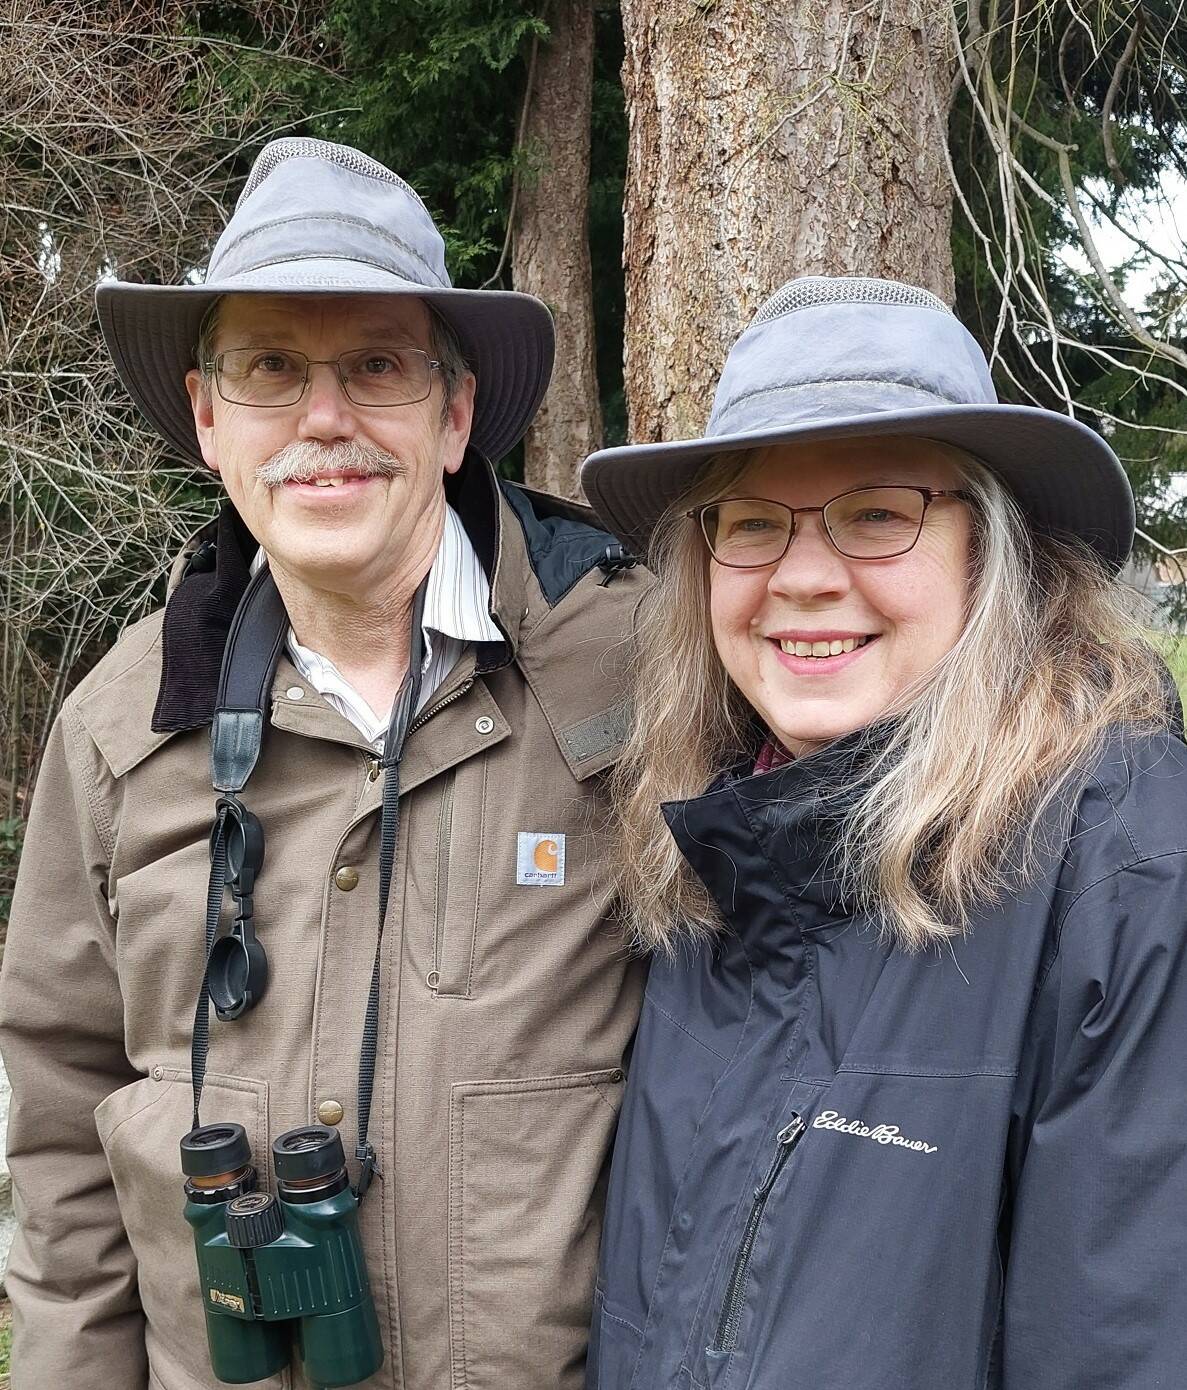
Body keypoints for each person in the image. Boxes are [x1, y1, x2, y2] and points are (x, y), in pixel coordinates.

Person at [0, 137, 647, 1390]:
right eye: (269, 370)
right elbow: (62, 1131)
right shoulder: (120, 726)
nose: (324, 419)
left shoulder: (633, 668)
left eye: (375, 366)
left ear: (455, 415)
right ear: (205, 417)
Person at [579, 275, 1187, 1389]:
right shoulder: (704, 851)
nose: (804, 578)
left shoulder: (1120, 868)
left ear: (986, 549)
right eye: (752, 523)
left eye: (875, 513)